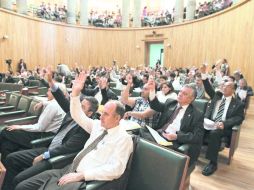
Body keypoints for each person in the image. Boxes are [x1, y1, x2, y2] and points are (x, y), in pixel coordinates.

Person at [15, 72, 133, 190]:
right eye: (102, 113)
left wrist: (82, 176)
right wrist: (75, 94)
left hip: (85, 180)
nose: (101, 117)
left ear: (117, 118)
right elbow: (77, 115)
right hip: (68, 169)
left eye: (106, 114)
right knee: (22, 186)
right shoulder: (98, 126)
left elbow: (116, 169)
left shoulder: (123, 138)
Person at [1, 68, 98, 190]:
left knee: (19, 180)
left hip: (56, 158)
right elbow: (61, 98)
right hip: (48, 147)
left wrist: (44, 156)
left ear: (89, 113)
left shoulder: (86, 129)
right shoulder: (72, 113)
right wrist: (51, 82)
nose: (77, 107)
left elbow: (66, 148)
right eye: (79, 104)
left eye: (82, 107)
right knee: (11, 158)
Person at [140, 79, 204, 165]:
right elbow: (156, 106)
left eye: (184, 94)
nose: (180, 94)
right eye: (180, 91)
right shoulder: (171, 102)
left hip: (173, 141)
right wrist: (152, 90)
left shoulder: (197, 114)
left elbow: (197, 136)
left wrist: (177, 136)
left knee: (147, 144)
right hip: (159, 134)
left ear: (191, 99)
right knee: (141, 130)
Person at [0, 84, 66, 164]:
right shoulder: (64, 103)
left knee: (5, 131)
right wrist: (43, 103)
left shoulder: (52, 106)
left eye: (49, 91)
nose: (46, 93)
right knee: (7, 144)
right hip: (48, 135)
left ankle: (3, 167)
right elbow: (50, 102)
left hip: (42, 136)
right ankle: (5, 167)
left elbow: (39, 128)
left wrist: (19, 127)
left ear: (56, 93)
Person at [200, 64, 245, 176]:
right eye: (223, 86)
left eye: (228, 86)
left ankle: (212, 163)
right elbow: (207, 87)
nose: (224, 87)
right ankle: (192, 154)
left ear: (233, 89)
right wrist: (204, 74)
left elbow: (239, 118)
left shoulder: (238, 104)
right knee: (196, 125)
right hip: (209, 122)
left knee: (215, 133)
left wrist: (224, 124)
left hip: (223, 127)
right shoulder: (217, 96)